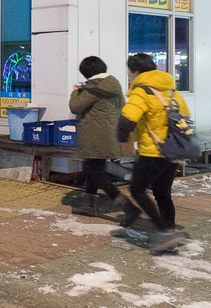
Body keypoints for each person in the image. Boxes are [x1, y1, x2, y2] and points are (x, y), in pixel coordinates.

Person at [117, 52, 188, 254]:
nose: (129, 76)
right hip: (174, 149)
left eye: (130, 72)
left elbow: (126, 120)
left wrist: (122, 138)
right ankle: (170, 233)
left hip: (153, 151)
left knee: (137, 190)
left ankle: (165, 233)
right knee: (162, 192)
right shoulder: (171, 91)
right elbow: (185, 116)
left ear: (136, 71)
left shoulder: (141, 92)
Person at [69, 56, 139, 221]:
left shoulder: (92, 88)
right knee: (92, 169)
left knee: (96, 174)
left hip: (95, 136)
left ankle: (128, 207)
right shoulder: (114, 85)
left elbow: (75, 107)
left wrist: (75, 92)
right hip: (109, 134)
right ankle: (88, 205)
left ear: (86, 73)